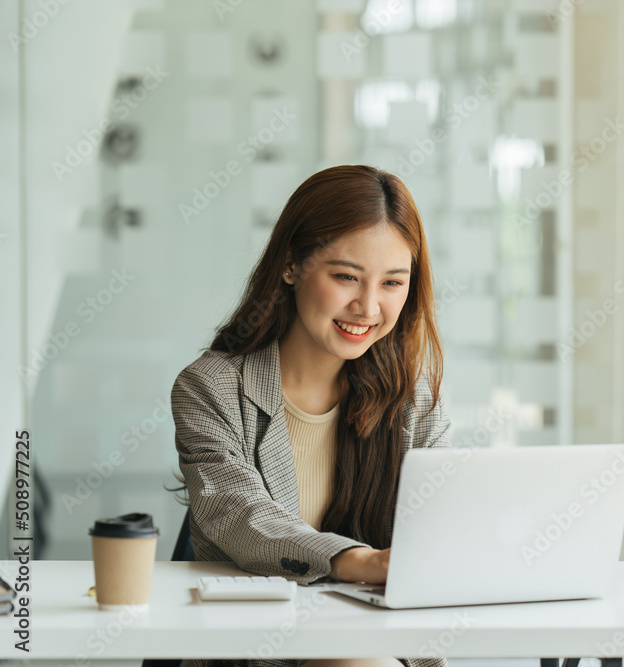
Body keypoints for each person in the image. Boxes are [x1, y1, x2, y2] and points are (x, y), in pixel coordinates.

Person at [168, 165, 450, 667]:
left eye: (392, 283)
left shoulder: (414, 396)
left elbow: (444, 522)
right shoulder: (210, 388)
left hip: (378, 646)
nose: (367, 306)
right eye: (346, 277)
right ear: (291, 265)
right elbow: (241, 516)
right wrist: (355, 561)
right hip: (251, 653)